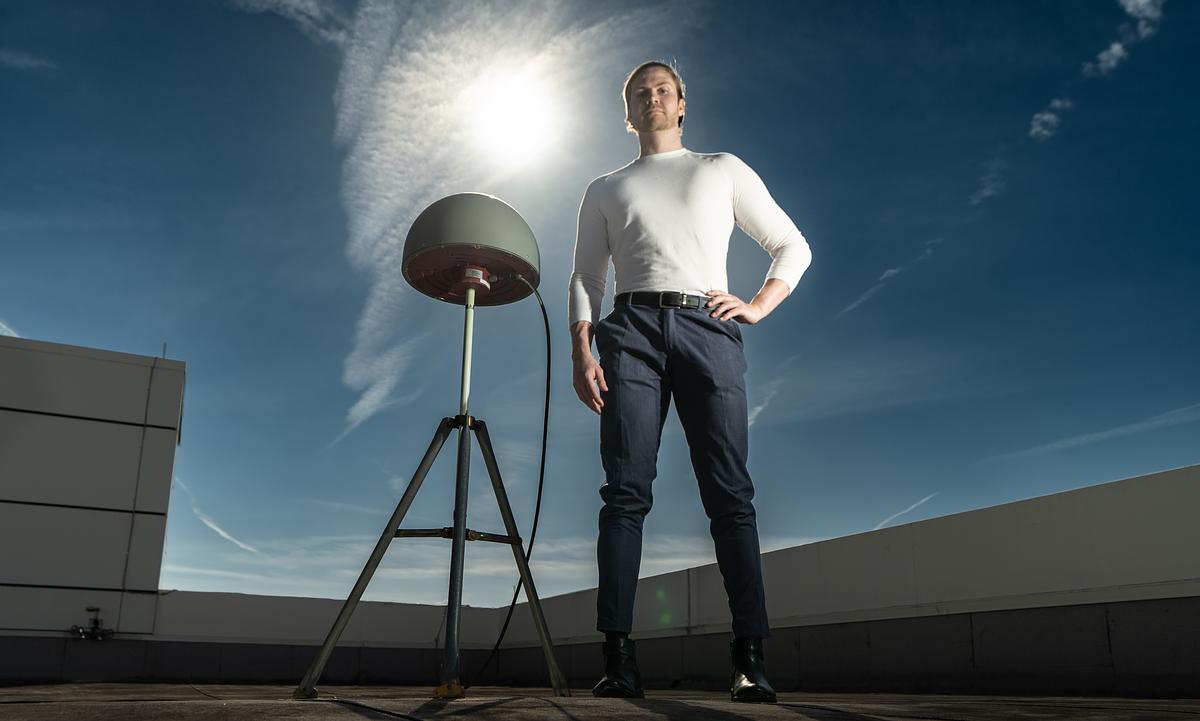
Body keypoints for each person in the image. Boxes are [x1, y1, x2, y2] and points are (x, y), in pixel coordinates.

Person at [567, 60, 812, 703]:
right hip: (630, 334)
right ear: (628, 113)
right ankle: (618, 660)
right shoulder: (604, 188)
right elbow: (587, 278)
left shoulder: (720, 168)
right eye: (639, 93)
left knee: (730, 495)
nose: (652, 97)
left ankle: (749, 657)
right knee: (624, 493)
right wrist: (580, 349)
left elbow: (793, 246)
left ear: (681, 106)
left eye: (663, 90)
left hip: (709, 327)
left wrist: (756, 304)